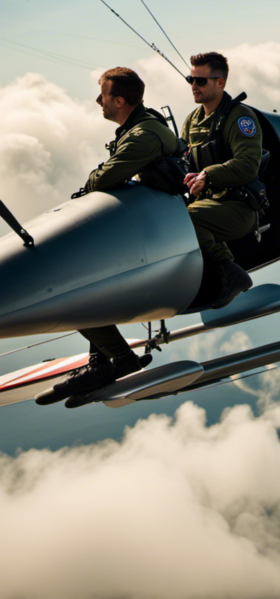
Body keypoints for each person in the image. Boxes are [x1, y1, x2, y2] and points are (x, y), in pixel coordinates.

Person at [37, 67, 180, 406]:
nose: (97, 100)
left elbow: (102, 180)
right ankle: (103, 360)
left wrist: (89, 184)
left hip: (157, 235)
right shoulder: (137, 128)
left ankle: (118, 359)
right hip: (151, 227)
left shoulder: (144, 134)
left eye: (102, 94)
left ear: (118, 100)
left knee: (67, 284)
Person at [181, 52, 261, 309]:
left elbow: (248, 165)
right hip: (206, 205)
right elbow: (181, 160)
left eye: (201, 81)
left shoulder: (240, 117)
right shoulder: (192, 121)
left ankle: (228, 273)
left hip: (237, 207)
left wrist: (208, 175)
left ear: (220, 83)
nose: (194, 85)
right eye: (190, 79)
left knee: (185, 222)